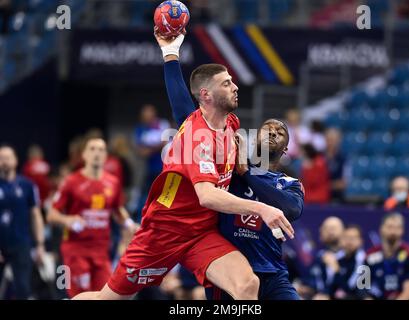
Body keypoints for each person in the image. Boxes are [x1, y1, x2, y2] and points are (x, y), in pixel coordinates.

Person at [71, 31, 294, 300]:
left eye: (232, 81)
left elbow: (179, 104)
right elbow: (207, 195)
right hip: (164, 233)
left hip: (201, 234)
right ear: (206, 95)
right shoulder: (196, 139)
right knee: (106, 299)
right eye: (226, 83)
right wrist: (262, 208)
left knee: (247, 285)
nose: (235, 86)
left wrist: (171, 53)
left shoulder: (230, 123)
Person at [159, 31, 304, 300]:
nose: (272, 132)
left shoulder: (287, 183)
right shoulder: (227, 163)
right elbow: (186, 119)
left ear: (285, 150)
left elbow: (291, 209)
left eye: (279, 132)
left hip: (272, 274)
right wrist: (171, 56)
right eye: (267, 128)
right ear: (254, 135)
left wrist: (248, 173)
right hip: (228, 268)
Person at [47, 138, 138, 298]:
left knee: (105, 295)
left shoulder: (113, 182)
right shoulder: (71, 182)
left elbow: (118, 210)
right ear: (84, 155)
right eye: (93, 149)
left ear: (106, 156)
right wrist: (67, 220)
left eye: (101, 150)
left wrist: (129, 223)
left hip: (101, 251)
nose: (97, 153)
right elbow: (51, 215)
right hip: (75, 250)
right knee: (80, 296)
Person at [0, 144, 46, 299]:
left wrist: (39, 244)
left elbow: (36, 215)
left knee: (23, 288)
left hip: (21, 244)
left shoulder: (27, 185)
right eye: (1, 158)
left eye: (7, 158)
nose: (4, 162)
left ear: (16, 161)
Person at [365, 212, 409, 300]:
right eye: (390, 227)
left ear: (402, 230)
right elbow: (362, 286)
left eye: (397, 227)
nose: (393, 231)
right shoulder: (369, 255)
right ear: (381, 229)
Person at [300, 216, 345, 300]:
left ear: (344, 231)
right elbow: (309, 281)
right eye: (326, 228)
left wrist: (337, 270)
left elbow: (354, 287)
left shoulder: (351, 256)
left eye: (333, 228)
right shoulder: (318, 257)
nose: (330, 231)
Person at [134, 104, 170, 199]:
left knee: (163, 195)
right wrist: (158, 146)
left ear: (154, 113)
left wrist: (150, 149)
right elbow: (141, 151)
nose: (148, 115)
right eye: (145, 113)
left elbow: (165, 143)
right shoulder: (140, 129)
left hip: (163, 167)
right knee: (147, 195)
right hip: (147, 168)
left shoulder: (162, 124)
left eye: (150, 112)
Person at [327, 225, 366, 300]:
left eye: (353, 238)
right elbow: (329, 285)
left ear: (360, 241)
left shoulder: (364, 260)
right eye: (346, 238)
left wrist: (337, 271)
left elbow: (351, 287)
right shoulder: (336, 258)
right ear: (341, 240)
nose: (349, 241)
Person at [324, 128, 348, 203]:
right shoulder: (319, 157)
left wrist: (324, 186)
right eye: (328, 140)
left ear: (338, 141)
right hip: (320, 198)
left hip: (337, 198)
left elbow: (343, 183)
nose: (330, 143)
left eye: (333, 140)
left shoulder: (343, 159)